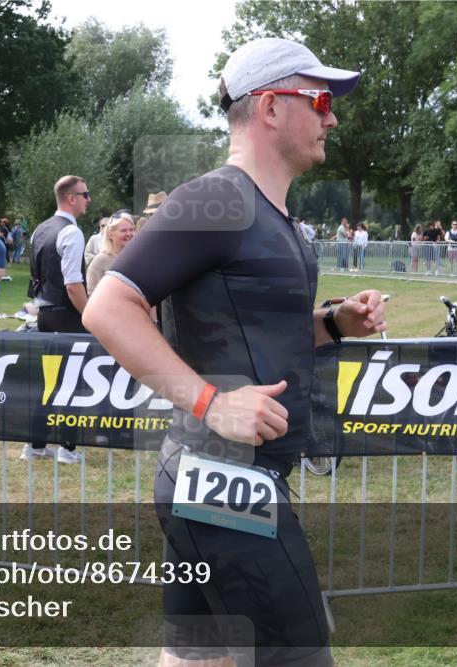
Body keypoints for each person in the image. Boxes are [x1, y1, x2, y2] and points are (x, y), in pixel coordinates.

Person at [84, 37, 386, 667]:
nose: (332, 116)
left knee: (198, 660)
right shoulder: (216, 199)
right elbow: (109, 306)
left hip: (212, 478)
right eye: (322, 99)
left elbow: (248, 327)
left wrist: (333, 323)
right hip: (223, 479)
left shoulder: (270, 212)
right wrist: (211, 401)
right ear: (272, 107)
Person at [21, 175, 91, 465]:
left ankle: (35, 445)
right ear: (71, 198)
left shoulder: (41, 229)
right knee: (71, 381)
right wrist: (90, 316)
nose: (89, 199)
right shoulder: (71, 233)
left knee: (47, 381)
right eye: (86, 194)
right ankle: (68, 448)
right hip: (66, 314)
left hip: (44, 314)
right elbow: (73, 284)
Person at [86, 211, 135, 294]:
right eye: (123, 230)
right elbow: (92, 293)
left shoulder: (137, 257)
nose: (129, 234)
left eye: (131, 230)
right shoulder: (101, 260)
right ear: (110, 235)